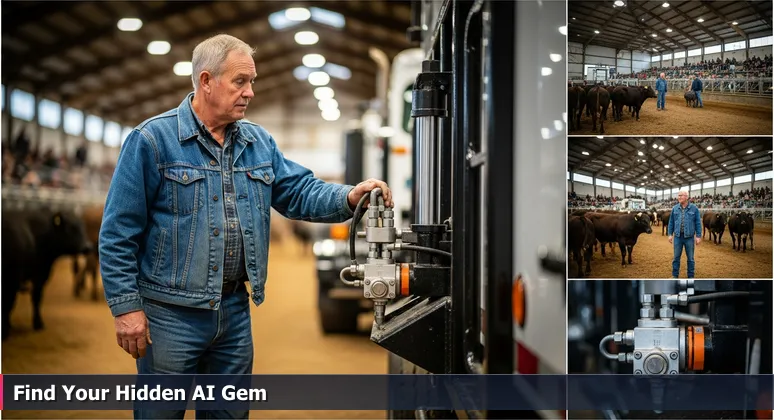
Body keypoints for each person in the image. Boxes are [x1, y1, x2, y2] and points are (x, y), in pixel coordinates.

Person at [98, 34, 392, 419]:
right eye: (240, 81)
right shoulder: (152, 140)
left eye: (252, 81)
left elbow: (299, 190)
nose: (250, 92)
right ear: (206, 81)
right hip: (170, 317)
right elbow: (118, 232)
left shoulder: (258, 143)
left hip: (233, 312)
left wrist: (350, 197)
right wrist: (126, 308)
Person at [667, 190, 701, 278]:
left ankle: (690, 276)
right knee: (676, 258)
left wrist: (698, 236)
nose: (679, 197)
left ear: (686, 197)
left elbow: (698, 223)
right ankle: (675, 275)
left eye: (681, 195)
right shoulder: (675, 208)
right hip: (678, 237)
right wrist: (670, 234)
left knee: (690, 259)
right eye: (678, 195)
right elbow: (671, 222)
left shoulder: (694, 208)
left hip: (689, 237)